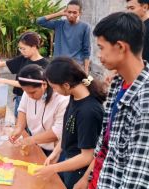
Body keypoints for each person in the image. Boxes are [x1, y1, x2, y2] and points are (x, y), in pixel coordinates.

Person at [82, 12, 149, 189]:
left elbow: (136, 178)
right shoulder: (118, 83)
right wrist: (88, 178)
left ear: (120, 46)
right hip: (102, 178)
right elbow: (106, 143)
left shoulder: (144, 100)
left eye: (101, 48)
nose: (98, 54)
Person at [35, 57, 105, 189]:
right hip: (70, 164)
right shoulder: (74, 96)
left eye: (54, 87)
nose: (54, 91)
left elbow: (87, 157)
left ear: (66, 85)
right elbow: (68, 130)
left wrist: (54, 169)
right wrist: (56, 152)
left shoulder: (88, 112)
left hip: (81, 171)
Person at [0, 32, 48, 118]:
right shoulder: (23, 58)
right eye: (20, 48)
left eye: (24, 48)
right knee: (18, 122)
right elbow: (4, 63)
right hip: (19, 98)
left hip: (33, 99)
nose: (21, 51)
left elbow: (26, 84)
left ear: (34, 47)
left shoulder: (44, 65)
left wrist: (4, 80)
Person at [9, 64, 69, 157]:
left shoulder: (61, 99)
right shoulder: (28, 92)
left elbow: (57, 132)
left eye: (33, 92)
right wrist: (19, 128)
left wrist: (30, 140)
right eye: (26, 92)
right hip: (37, 144)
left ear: (44, 84)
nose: (29, 96)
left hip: (56, 150)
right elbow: (22, 110)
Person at [36, 0, 91, 73]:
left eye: (74, 12)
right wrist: (59, 13)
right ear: (66, 12)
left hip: (75, 66)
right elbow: (40, 21)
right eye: (69, 12)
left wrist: (86, 71)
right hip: (58, 64)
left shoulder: (85, 27)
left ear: (80, 13)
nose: (71, 15)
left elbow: (86, 50)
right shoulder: (59, 24)